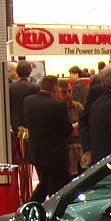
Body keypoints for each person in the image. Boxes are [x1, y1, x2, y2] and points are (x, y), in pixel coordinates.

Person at [23, 75, 73, 203]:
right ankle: (34, 209)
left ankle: (31, 208)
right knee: (59, 188)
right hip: (55, 155)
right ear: (56, 88)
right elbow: (67, 130)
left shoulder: (28, 101)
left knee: (44, 184)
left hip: (37, 152)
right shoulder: (58, 105)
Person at [56, 81, 85, 176]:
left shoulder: (78, 107)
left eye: (70, 91)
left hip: (80, 152)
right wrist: (73, 127)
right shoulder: (55, 108)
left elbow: (84, 128)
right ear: (57, 93)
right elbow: (62, 132)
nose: (68, 95)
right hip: (64, 152)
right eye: (64, 92)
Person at [8, 60, 38, 134]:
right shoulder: (35, 87)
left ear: (17, 72)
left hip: (14, 122)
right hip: (30, 123)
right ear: (30, 72)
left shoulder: (10, 88)